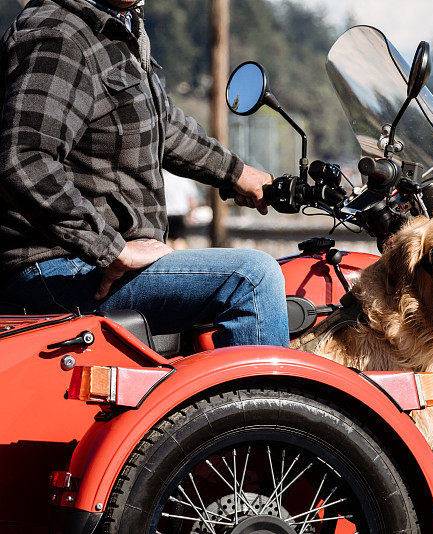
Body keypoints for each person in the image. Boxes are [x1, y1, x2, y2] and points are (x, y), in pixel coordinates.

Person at [0, 0, 289, 348]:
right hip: (57, 266)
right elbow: (24, 159)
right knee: (252, 277)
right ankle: (268, 404)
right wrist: (112, 248)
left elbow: (162, 125)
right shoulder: (60, 33)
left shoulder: (117, 27)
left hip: (90, 263)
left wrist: (238, 173)